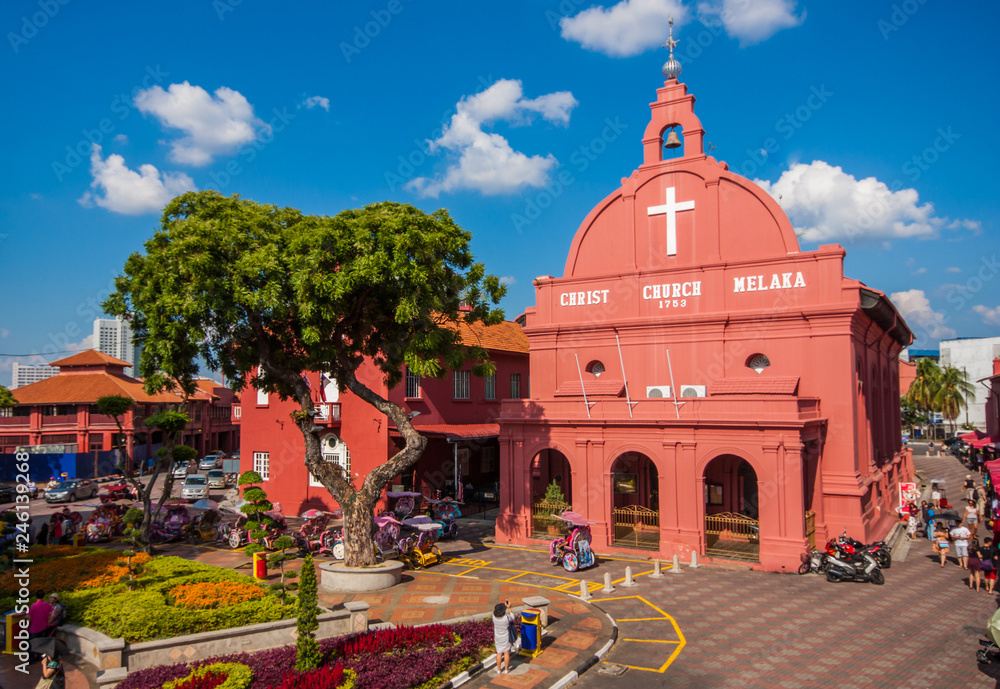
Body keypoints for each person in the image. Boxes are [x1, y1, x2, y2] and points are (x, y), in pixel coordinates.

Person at [492, 598, 517, 675]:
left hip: (498, 638)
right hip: (506, 638)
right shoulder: (506, 618)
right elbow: (512, 617)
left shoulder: (494, 617)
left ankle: (499, 669)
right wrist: (509, 608)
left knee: (499, 653)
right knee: (506, 653)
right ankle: (506, 669)